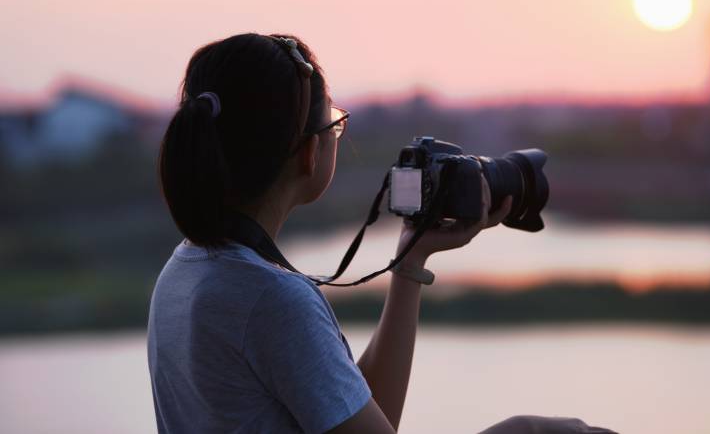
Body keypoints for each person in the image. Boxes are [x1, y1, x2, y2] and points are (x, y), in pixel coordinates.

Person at [148, 32, 616, 434]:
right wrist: (525, 431)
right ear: (310, 153)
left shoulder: (184, 271)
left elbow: (365, 417)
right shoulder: (271, 299)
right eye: (335, 121)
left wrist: (410, 262)